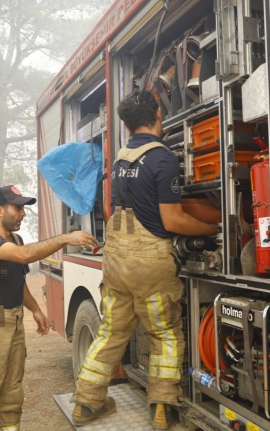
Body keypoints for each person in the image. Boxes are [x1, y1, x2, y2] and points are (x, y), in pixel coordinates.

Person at [71, 90, 219, 428]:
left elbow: (114, 210)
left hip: (117, 261)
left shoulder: (121, 159)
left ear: (125, 125)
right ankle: (163, 408)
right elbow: (172, 221)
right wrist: (212, 226)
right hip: (149, 264)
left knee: (111, 333)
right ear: (157, 114)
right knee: (164, 333)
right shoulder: (162, 157)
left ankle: (86, 402)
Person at [0, 185, 97, 431]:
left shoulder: (16, 239)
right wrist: (66, 238)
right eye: (18, 208)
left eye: (23, 208)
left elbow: (15, 280)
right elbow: (22, 256)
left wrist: (35, 309)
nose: (23, 213)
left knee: (11, 394)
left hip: (13, 323)